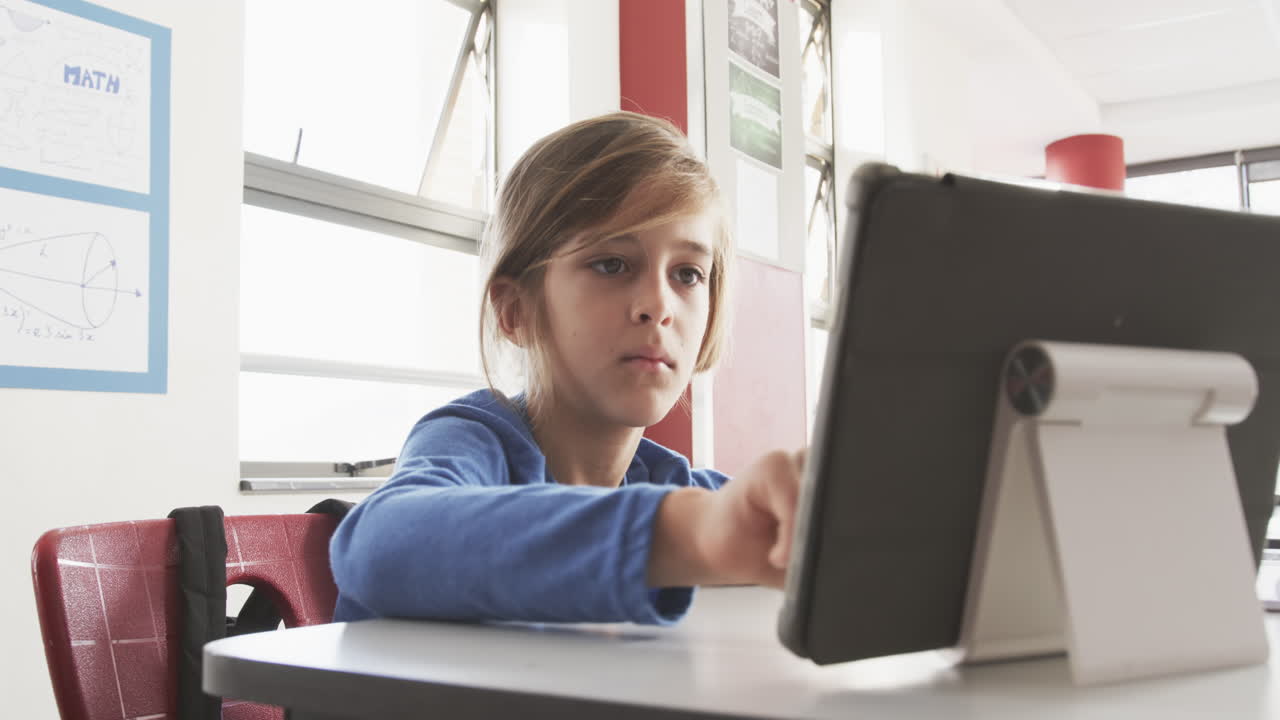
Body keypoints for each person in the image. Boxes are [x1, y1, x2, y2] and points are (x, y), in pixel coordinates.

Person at [329, 111, 805, 625]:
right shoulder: (473, 441)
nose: (658, 305)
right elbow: (380, 547)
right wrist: (686, 535)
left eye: (688, 274)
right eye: (612, 264)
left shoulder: (669, 480)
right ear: (516, 310)